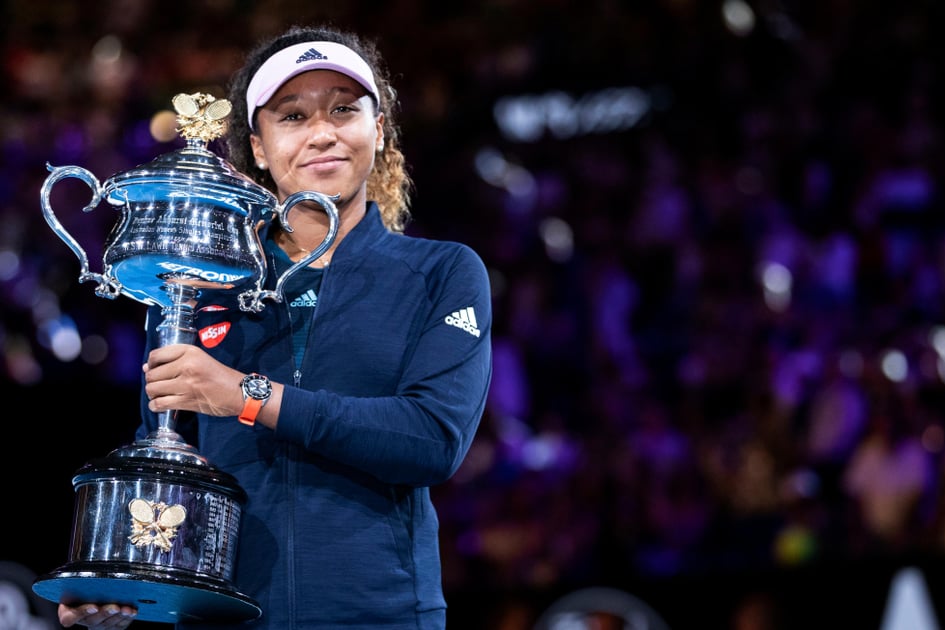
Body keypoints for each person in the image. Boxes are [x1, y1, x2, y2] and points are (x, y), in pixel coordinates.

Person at [57, 23, 493, 629]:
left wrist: (246, 397)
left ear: (380, 129)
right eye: (292, 116)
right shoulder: (199, 282)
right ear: (258, 148)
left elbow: (431, 440)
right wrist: (123, 578)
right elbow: (165, 457)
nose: (322, 133)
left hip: (382, 617)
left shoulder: (441, 272)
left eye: (344, 110)